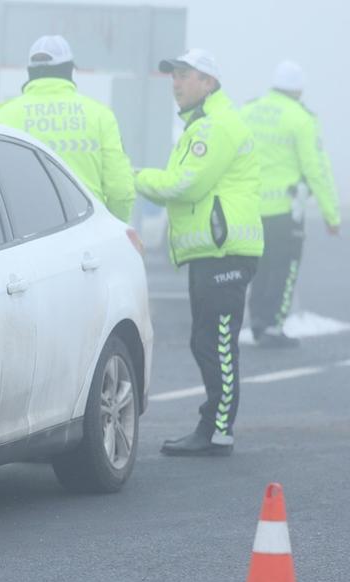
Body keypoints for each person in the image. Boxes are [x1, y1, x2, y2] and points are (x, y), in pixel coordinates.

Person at [135, 49, 263, 457]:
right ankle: (214, 427)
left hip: (225, 251)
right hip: (212, 251)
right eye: (173, 74)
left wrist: (134, 177)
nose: (175, 82)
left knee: (217, 342)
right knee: (206, 340)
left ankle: (217, 431)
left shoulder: (214, 127)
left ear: (208, 83)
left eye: (185, 75)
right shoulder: (203, 124)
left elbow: (184, 184)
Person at [241, 60, 341, 347]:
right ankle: (273, 326)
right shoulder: (301, 118)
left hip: (251, 208)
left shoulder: (249, 110)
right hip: (286, 211)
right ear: (299, 89)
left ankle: (258, 320)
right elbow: (316, 170)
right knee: (284, 269)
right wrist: (331, 216)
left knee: (259, 267)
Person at [0, 35, 136, 223]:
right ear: (70, 70)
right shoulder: (100, 116)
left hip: (25, 235)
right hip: (87, 232)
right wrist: (115, 226)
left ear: (30, 71)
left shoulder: (2, 117)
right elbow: (120, 191)